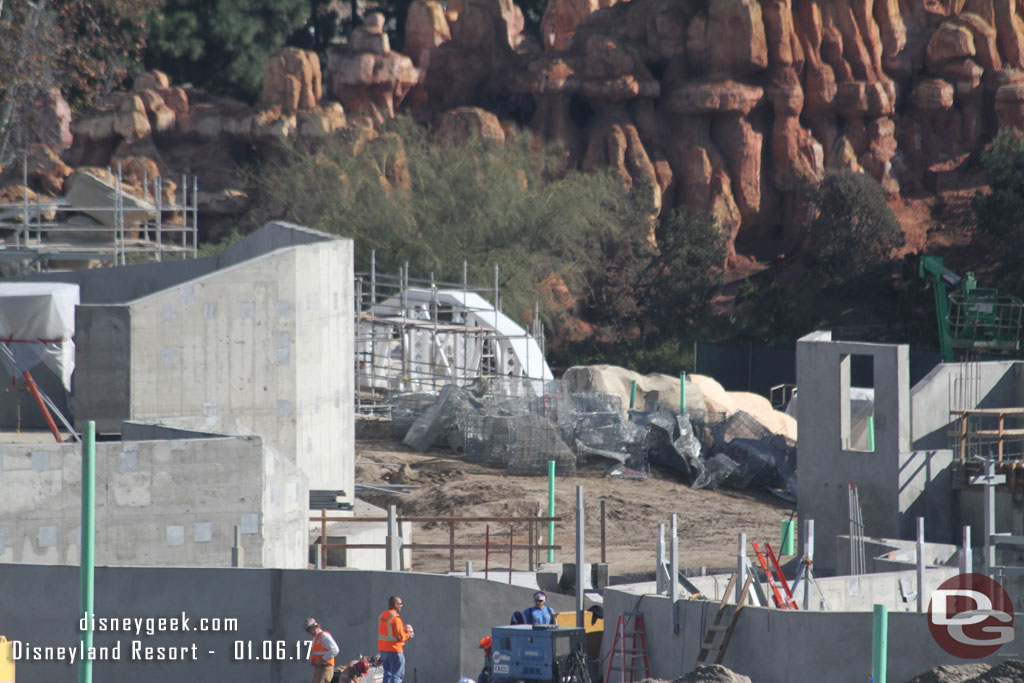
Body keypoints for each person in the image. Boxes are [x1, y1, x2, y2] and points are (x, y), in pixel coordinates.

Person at [378, 595, 414, 683]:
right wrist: (408, 635)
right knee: (397, 676)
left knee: (387, 674)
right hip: (394, 651)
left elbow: (389, 632)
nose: (401, 606)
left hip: (383, 651)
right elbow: (400, 636)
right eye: (400, 604)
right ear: (395, 605)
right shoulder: (395, 618)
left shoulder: (383, 615)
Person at [304, 617, 340, 683]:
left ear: (315, 627)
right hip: (318, 668)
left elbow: (335, 650)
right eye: (307, 630)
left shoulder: (323, 636)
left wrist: (322, 659)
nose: (309, 632)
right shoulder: (315, 638)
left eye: (309, 629)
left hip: (325, 668)